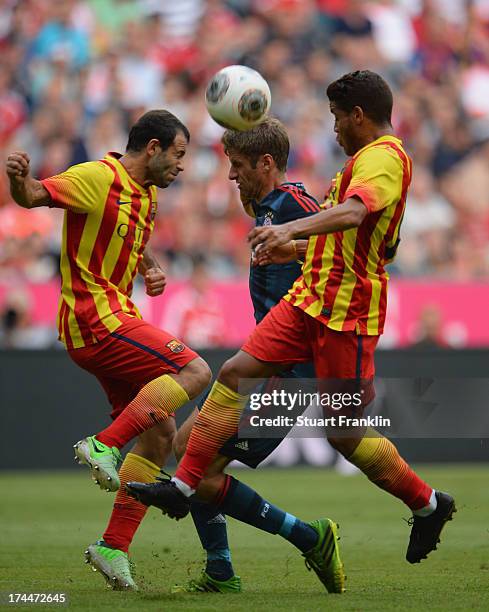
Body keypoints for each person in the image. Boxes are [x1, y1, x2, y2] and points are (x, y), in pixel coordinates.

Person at [127, 72, 456, 568]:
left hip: (345, 314)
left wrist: (290, 230)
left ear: (358, 116)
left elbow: (351, 218)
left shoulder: (385, 158)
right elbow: (367, 238)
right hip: (309, 302)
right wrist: (294, 242)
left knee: (344, 434)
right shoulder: (358, 164)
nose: (334, 129)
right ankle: (182, 490)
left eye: (337, 118)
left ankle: (427, 504)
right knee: (233, 373)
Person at [5, 109, 212, 589]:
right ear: (154, 148)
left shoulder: (148, 196)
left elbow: (130, 239)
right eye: (179, 154)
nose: (182, 166)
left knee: (161, 435)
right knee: (196, 370)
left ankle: (112, 547)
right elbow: (34, 196)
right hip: (92, 317)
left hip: (116, 318)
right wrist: (19, 179)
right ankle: (104, 443)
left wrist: (150, 267)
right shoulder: (98, 176)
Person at [169, 118, 344, 594]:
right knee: (186, 452)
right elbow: (256, 194)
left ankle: (308, 538)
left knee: (196, 467)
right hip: (262, 363)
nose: (231, 176)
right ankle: (222, 569)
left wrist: (299, 245)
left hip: (290, 374)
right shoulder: (265, 206)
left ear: (266, 164)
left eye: (239, 166)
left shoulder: (295, 204)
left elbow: (352, 248)